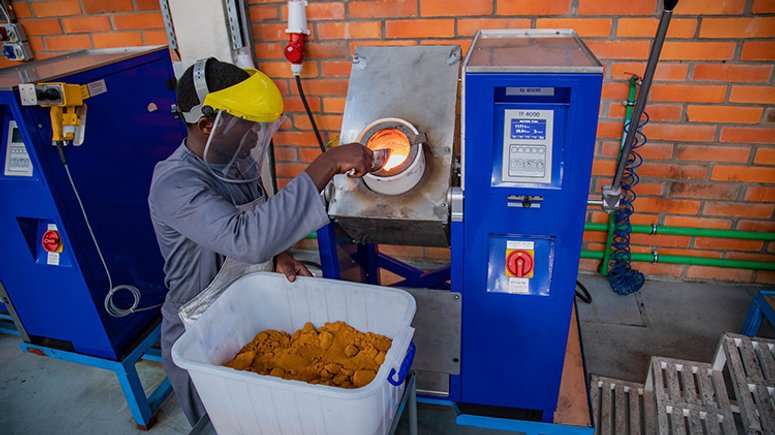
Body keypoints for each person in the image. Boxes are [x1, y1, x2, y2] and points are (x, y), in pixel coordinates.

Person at [148, 58, 373, 425]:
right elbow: (244, 237)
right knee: (230, 422)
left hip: (247, 312)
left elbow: (259, 214)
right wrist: (325, 164)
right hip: (202, 330)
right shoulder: (175, 184)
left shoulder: (232, 163)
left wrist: (280, 254)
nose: (255, 135)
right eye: (246, 125)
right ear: (207, 125)